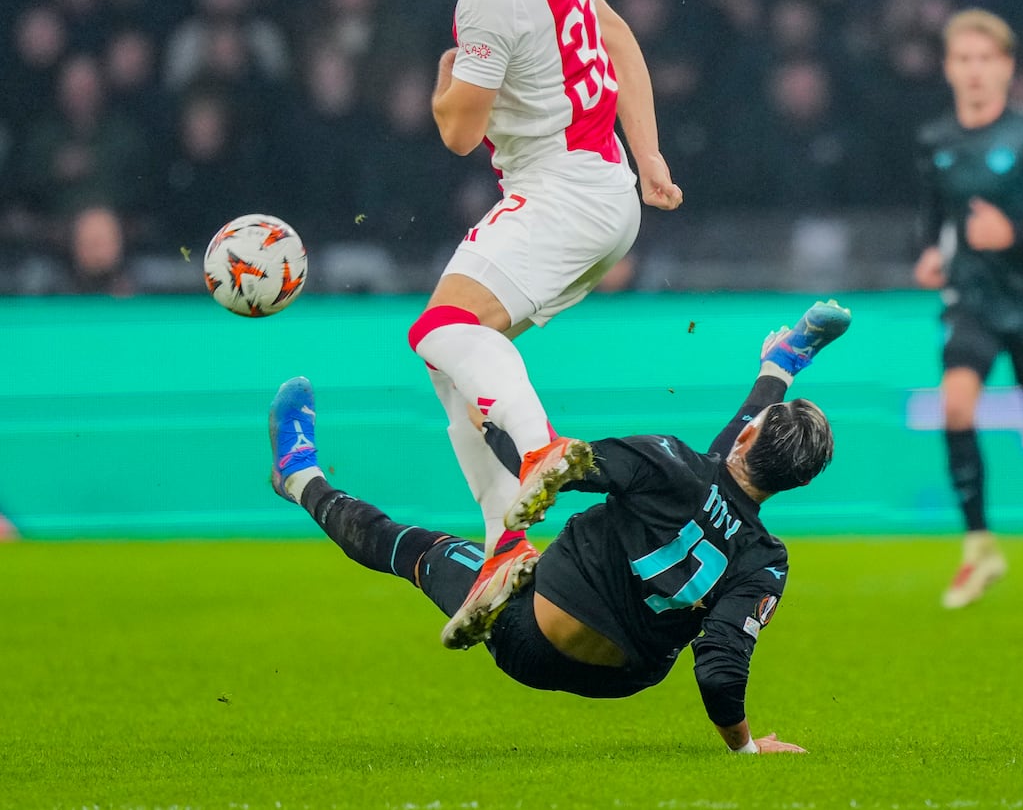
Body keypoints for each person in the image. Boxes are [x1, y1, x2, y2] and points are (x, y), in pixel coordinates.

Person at [269, 300, 851, 752]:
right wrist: (744, 747)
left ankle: (298, 475)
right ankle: (782, 362)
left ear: (749, 433)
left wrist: (491, 427)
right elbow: (720, 668)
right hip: (625, 678)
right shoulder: (767, 561)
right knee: (706, 481)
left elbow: (555, 472)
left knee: (416, 549)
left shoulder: (670, 460)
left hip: (532, 633)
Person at [405, 0, 683, 646]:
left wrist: (444, 78)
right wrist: (653, 156)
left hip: (562, 190)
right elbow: (623, 37)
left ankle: (539, 449)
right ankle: (505, 542)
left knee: (439, 327)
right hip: (602, 188)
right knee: (451, 365)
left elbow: (457, 133)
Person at [912, 9, 1023, 614]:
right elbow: (935, 217)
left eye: (986, 60)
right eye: (963, 60)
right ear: (948, 68)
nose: (975, 72)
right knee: (956, 404)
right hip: (972, 300)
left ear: (1007, 68)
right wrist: (930, 256)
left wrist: (1012, 232)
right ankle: (980, 544)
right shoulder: (937, 141)